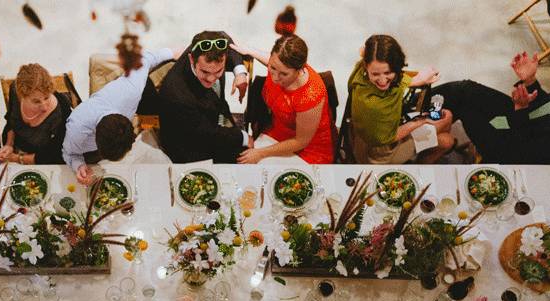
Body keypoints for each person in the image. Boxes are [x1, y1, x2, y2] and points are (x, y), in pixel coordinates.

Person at [62, 47, 180, 184]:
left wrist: (174, 52)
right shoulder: (77, 129)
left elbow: (145, 60)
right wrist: (79, 166)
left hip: (130, 99)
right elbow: (70, 153)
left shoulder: (131, 89)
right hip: (92, 150)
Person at [348, 34, 453, 164]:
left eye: (388, 73)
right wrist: (420, 122)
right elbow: (388, 137)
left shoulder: (361, 69)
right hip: (379, 155)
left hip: (365, 135)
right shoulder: (374, 105)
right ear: (366, 65)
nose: (382, 80)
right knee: (447, 139)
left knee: (446, 122)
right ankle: (419, 165)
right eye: (375, 74)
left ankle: (429, 147)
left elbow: (364, 51)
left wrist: (415, 81)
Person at [230, 33, 334, 164]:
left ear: (299, 70)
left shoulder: (310, 95)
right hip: (277, 131)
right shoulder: (279, 65)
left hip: (306, 148)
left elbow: (301, 141)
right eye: (272, 67)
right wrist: (249, 50)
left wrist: (260, 153)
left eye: (284, 74)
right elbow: (274, 60)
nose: (275, 77)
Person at [433, 51, 550, 164]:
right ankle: (418, 108)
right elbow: (546, 107)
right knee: (464, 90)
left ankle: (425, 138)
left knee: (465, 108)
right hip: (523, 115)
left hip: (516, 150)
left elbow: (527, 148)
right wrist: (530, 82)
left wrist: (520, 111)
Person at [158, 31, 250, 163]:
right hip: (188, 148)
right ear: (191, 59)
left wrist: (240, 72)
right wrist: (243, 137)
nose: (211, 78)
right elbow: (205, 133)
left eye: (218, 71)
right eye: (204, 72)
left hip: (211, 120)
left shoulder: (202, 47)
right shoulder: (177, 94)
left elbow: (226, 39)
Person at [0, 63, 72, 165]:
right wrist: (9, 144)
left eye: (46, 98)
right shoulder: (15, 89)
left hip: (41, 160)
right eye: (36, 101)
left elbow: (57, 154)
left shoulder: (63, 110)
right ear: (21, 96)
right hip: (15, 151)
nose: (44, 107)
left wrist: (16, 158)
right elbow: (11, 120)